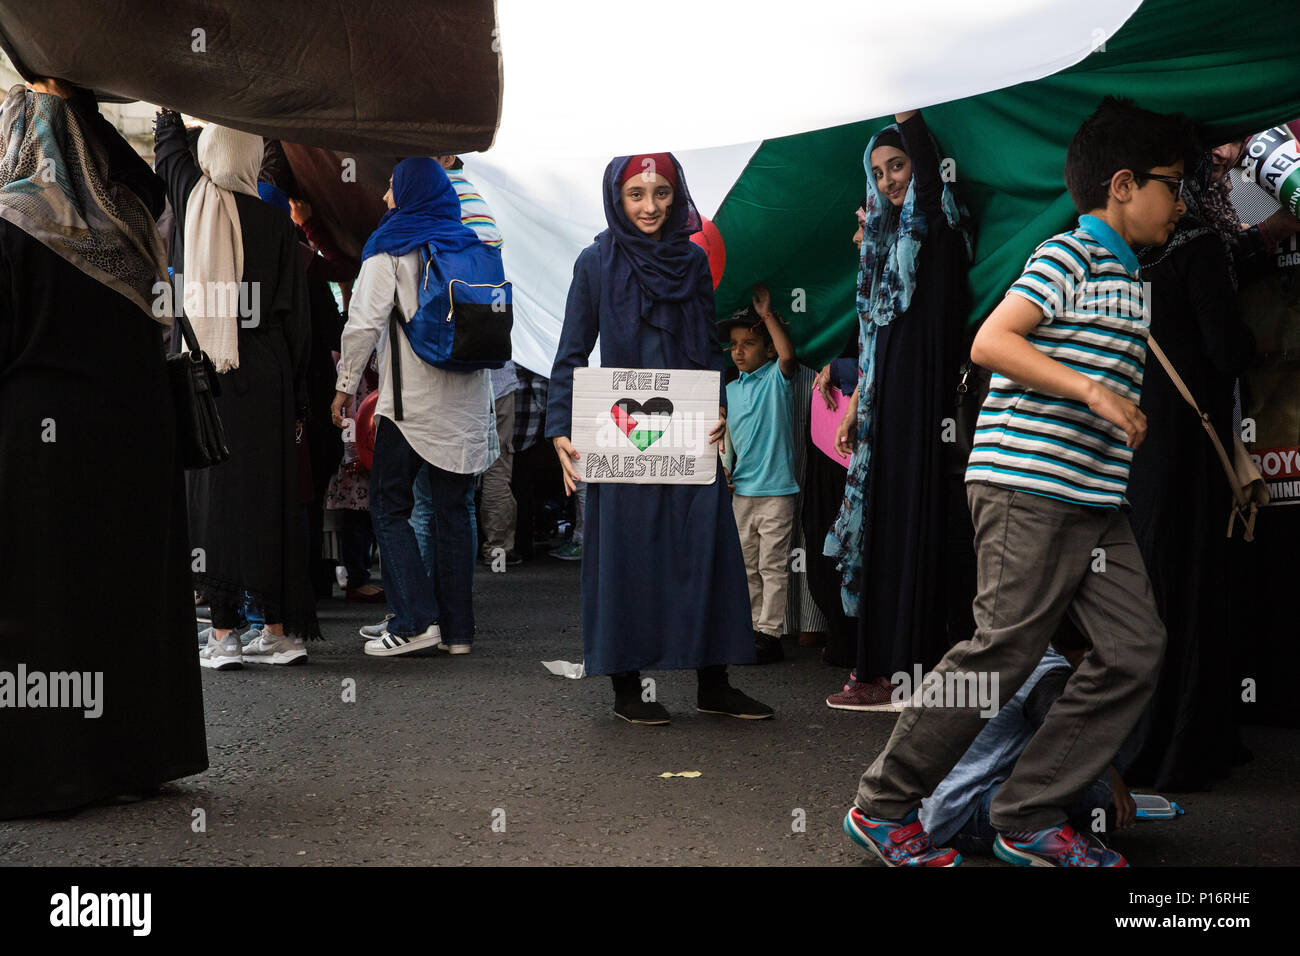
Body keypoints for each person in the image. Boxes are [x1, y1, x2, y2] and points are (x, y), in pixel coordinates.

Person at [842, 96, 1194, 867]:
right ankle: (884, 804)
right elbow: (992, 341)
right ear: (1125, 184)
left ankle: (1028, 813)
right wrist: (1094, 391)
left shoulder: (1133, 281)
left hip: (1095, 501)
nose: (1182, 201)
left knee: (1134, 649)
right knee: (1001, 650)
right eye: (1174, 183)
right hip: (1026, 486)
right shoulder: (1066, 255)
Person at [0, 79, 206, 816]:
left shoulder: (13, 221)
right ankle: (134, 755)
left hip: (40, 444)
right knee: (124, 594)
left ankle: (54, 772)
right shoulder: (132, 224)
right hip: (133, 433)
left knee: (46, 605)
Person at [547, 152, 772, 724]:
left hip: (690, 427)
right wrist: (558, 430)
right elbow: (571, 353)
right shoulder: (594, 263)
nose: (651, 207)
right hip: (617, 430)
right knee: (626, 551)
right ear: (617, 199)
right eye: (637, 195)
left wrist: (721, 405)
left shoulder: (692, 262)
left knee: (706, 545)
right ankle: (628, 689)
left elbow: (706, 345)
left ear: (678, 198)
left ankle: (713, 682)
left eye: (663, 194)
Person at [154, 108, 318, 669]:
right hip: (267, 374)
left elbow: (169, 151)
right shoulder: (276, 222)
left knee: (214, 500)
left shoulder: (193, 200)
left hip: (208, 376)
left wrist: (168, 109)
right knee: (268, 497)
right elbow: (298, 321)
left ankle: (223, 635)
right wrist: (299, 399)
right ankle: (277, 630)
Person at [824, 110, 977, 711]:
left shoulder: (937, 225)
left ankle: (910, 673)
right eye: (880, 171)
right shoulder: (882, 244)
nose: (890, 180)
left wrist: (908, 115)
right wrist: (856, 407)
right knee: (885, 529)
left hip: (927, 402)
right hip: (887, 403)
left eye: (900, 166)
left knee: (918, 527)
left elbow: (933, 189)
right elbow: (872, 337)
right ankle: (881, 669)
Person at [1125, 148, 1257, 791]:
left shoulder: (1101, 254)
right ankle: (1188, 743)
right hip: (1191, 448)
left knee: (1140, 589)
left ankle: (1135, 743)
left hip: (1128, 451)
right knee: (1195, 584)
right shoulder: (1199, 249)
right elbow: (1228, 349)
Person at [331, 158, 497, 657]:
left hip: (411, 407)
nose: (385, 198)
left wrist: (344, 385)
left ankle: (414, 620)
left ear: (408, 194)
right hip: (466, 406)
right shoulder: (471, 244)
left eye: (390, 188)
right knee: (454, 510)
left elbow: (362, 324)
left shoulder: (391, 246)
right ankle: (457, 631)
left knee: (388, 506)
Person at [920, 639, 1137, 861]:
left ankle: (1057, 826)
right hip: (962, 815)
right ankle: (1027, 833)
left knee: (1100, 753)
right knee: (1099, 789)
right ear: (1087, 651)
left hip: (942, 803)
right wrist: (1114, 781)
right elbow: (1073, 742)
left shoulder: (1006, 647)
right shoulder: (1046, 673)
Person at [718, 287, 799, 664]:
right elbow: (727, 441)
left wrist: (766, 315)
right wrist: (725, 470)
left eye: (748, 343)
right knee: (746, 564)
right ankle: (750, 627)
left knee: (772, 565)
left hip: (777, 491)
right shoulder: (731, 390)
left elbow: (787, 355)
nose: (738, 351)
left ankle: (770, 632)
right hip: (742, 492)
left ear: (765, 349)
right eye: (734, 345)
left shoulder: (774, 380)